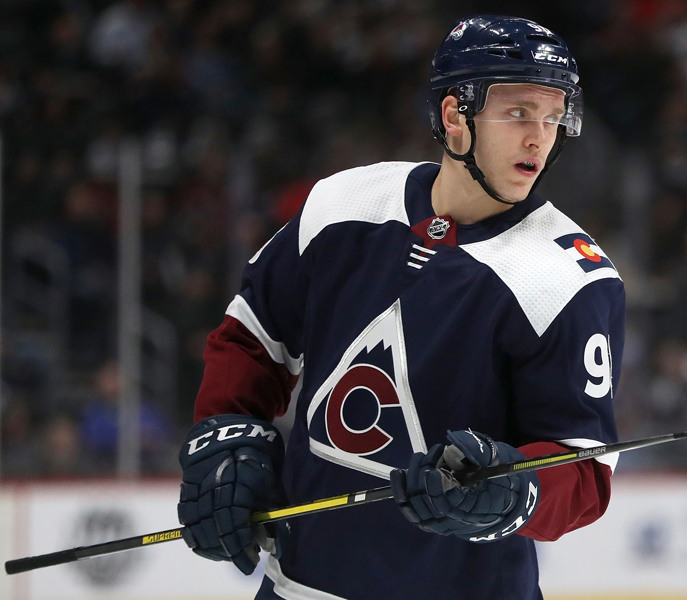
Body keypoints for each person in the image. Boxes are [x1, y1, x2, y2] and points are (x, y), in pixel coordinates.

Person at [176, 15, 624, 600]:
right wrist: (228, 427)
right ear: (454, 117)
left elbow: (583, 472)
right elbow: (252, 337)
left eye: (551, 113)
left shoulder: (570, 279)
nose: (540, 136)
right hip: (300, 588)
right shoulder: (345, 203)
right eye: (518, 113)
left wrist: (514, 490)